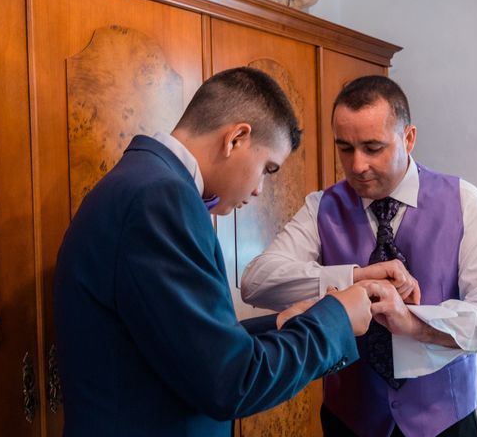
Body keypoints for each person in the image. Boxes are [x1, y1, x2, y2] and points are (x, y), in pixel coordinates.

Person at [53, 67, 377, 437]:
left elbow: (186, 341)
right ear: (236, 138)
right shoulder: (161, 198)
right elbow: (231, 381)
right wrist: (335, 318)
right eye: (268, 169)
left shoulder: (144, 182)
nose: (258, 190)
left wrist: (282, 323)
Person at [241, 75, 477, 437]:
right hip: (349, 421)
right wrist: (354, 279)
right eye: (345, 148)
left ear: (408, 138)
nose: (357, 165)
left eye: (373, 148)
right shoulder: (320, 207)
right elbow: (256, 282)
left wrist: (414, 323)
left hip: (446, 423)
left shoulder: (466, 202)